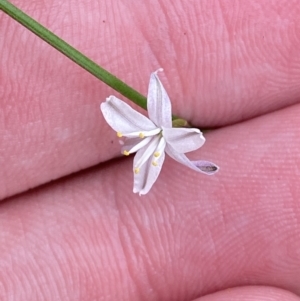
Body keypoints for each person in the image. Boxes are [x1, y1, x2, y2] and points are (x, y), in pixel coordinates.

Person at [0, 1, 300, 300]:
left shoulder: (167, 134)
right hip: (159, 131)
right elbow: (135, 110)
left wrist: (167, 113)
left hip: (161, 131)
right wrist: (158, 93)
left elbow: (187, 138)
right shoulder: (157, 131)